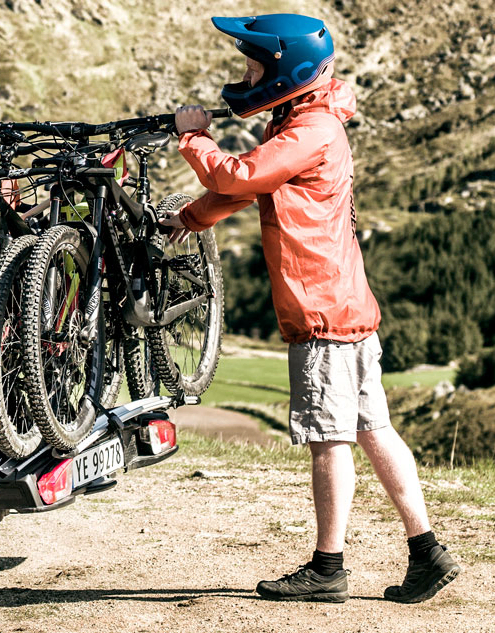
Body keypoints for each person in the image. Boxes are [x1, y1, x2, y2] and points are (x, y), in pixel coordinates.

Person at [163, 13, 460, 604]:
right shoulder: (307, 122)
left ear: (284, 69)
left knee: (331, 440)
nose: (245, 73)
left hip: (321, 312)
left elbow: (240, 174)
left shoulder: (311, 130)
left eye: (253, 64)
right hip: (346, 307)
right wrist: (190, 220)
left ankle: (328, 569)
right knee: (374, 429)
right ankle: (426, 553)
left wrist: (192, 136)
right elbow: (256, 187)